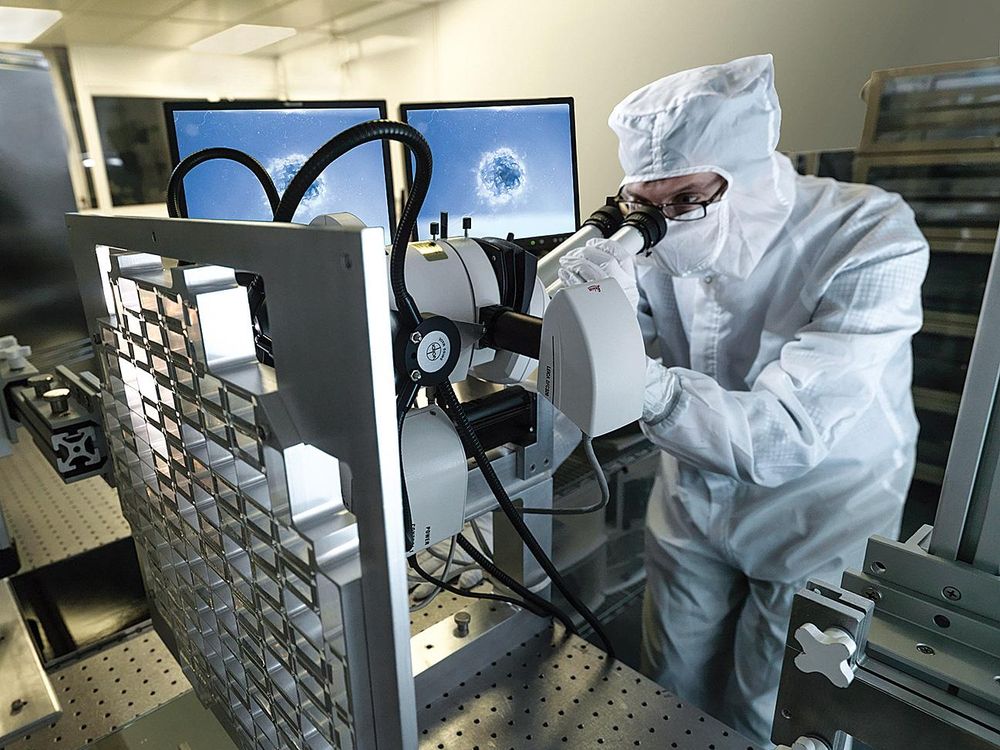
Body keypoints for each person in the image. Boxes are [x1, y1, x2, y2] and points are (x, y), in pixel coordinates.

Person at [558, 54, 928, 746]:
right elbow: (622, 334)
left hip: (823, 509)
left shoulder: (871, 237)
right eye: (647, 206)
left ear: (748, 177)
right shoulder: (651, 238)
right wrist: (585, 308)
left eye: (686, 202)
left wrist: (627, 373)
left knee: (776, 711)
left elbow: (785, 435)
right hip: (695, 492)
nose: (664, 225)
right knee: (670, 686)